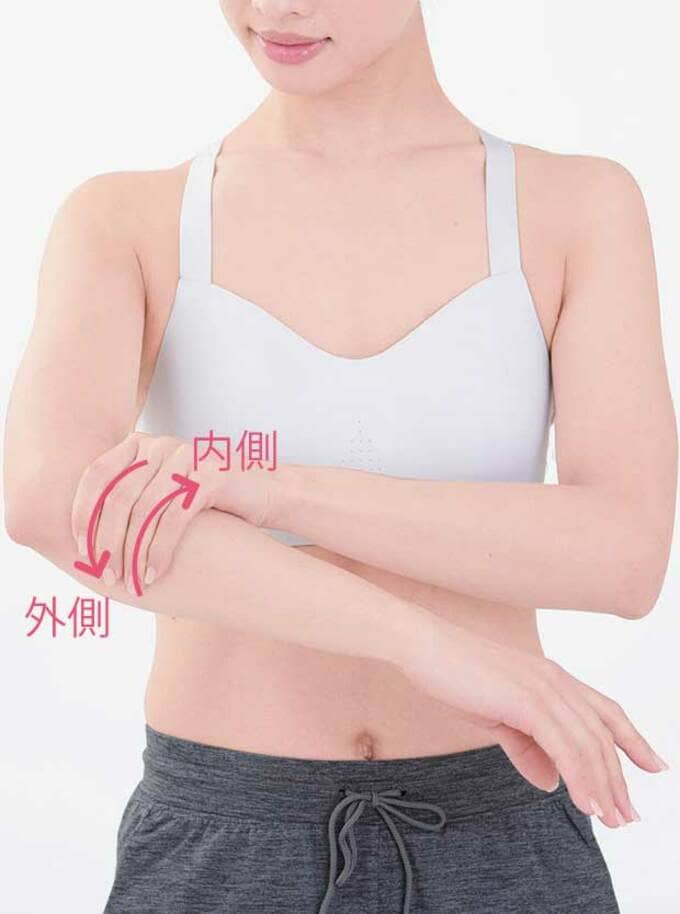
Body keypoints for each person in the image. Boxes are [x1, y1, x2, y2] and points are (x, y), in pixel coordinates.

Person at [4, 1, 677, 912]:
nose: (277, 7)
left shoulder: (573, 207)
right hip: (223, 842)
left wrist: (277, 492)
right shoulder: (127, 219)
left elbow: (623, 555)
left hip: (502, 834)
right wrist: (426, 644)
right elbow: (50, 501)